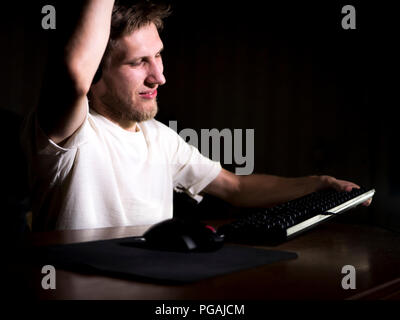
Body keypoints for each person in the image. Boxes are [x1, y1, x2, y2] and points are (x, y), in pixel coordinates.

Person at [21, 0, 370, 231]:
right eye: (138, 62)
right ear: (96, 74)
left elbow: (236, 187)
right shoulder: (68, 132)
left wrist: (317, 184)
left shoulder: (159, 136)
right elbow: (73, 73)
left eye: (157, 56)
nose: (159, 76)